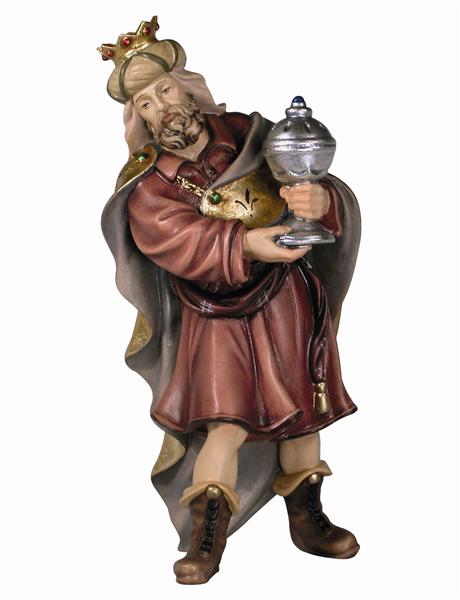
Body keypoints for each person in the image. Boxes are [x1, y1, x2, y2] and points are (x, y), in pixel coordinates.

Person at [99, 16, 361, 585]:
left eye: (165, 90)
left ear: (186, 87)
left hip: (284, 299)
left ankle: (307, 516)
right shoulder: (151, 182)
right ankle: (207, 531)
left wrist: (319, 201)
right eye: (146, 103)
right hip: (214, 313)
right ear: (138, 118)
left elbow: (312, 183)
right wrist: (246, 244)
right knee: (224, 422)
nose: (163, 108)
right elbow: (169, 236)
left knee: (301, 414)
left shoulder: (249, 134)